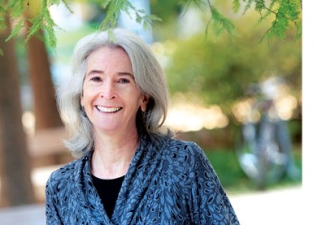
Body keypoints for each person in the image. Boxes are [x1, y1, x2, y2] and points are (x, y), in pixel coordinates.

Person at [45, 28, 240, 224]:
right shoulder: (61, 187)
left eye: (123, 80)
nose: (108, 92)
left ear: (144, 97)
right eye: (96, 79)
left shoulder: (183, 162)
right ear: (81, 94)